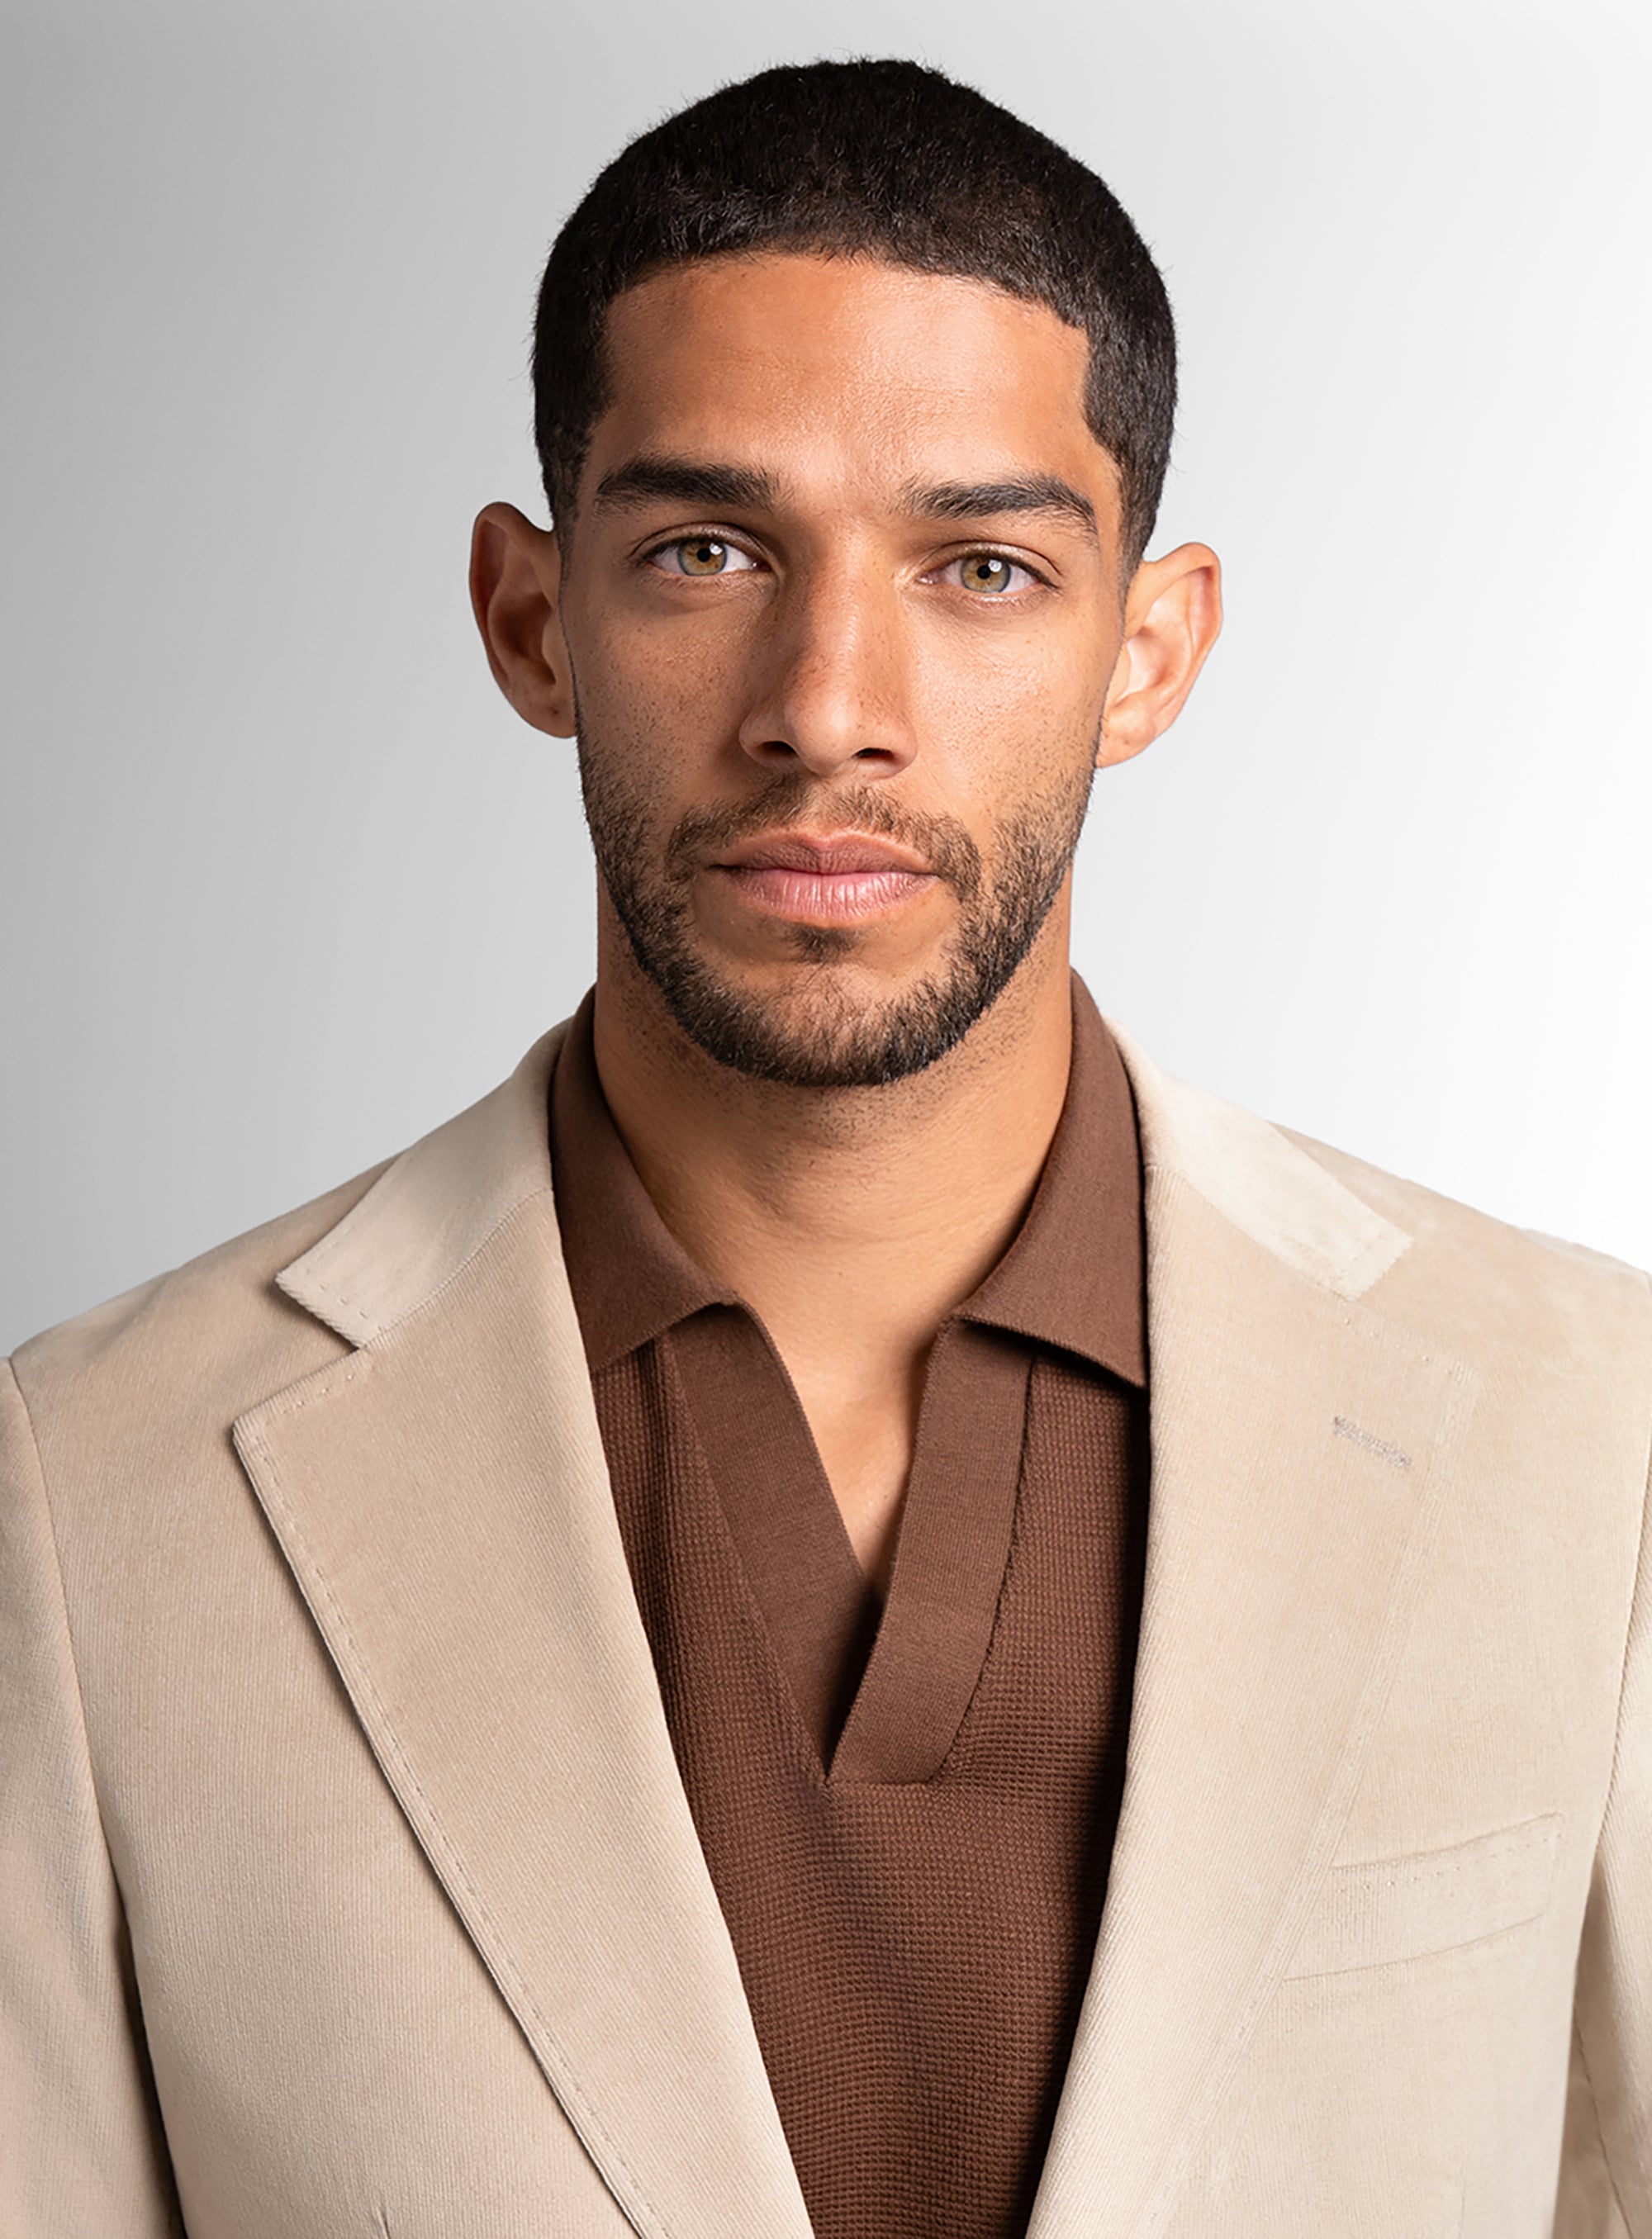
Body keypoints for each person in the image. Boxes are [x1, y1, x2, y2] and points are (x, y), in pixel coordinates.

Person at [2, 54, 1646, 2239]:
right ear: (530, 619)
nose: (828, 698)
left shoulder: (1586, 1426)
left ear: (1149, 653)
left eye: (977, 564)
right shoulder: (90, 1495)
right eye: (705, 548)